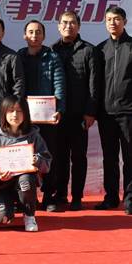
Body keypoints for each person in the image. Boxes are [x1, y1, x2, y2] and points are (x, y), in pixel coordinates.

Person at [96, 6, 132, 215]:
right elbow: (95, 84)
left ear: (125, 22)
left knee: (130, 157)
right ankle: (111, 198)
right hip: (106, 114)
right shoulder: (100, 49)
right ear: (105, 23)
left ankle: (130, 200)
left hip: (129, 112)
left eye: (117, 19)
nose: (113, 23)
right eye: (109, 19)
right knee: (109, 158)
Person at [0, 96, 52, 232]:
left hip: (23, 182)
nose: (15, 115)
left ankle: (29, 215)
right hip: (0, 185)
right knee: (2, 218)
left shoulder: (33, 135)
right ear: (3, 113)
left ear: (26, 113)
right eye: (11, 111)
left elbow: (47, 161)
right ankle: (6, 206)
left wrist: (37, 160)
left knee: (26, 181)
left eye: (19, 111)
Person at [52, 11, 100, 211]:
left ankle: (77, 197)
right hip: (57, 115)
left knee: (78, 158)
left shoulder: (88, 50)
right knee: (59, 157)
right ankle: (60, 194)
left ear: (79, 26)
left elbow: (94, 85)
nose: (68, 26)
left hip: (80, 115)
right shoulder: (52, 50)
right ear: (58, 26)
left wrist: (90, 112)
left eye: (72, 23)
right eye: (64, 23)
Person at [17, 20, 65, 212]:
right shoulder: (19, 56)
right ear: (24, 35)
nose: (34, 35)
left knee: (48, 155)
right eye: (30, 32)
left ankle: (49, 196)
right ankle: (27, 197)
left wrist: (59, 109)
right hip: (23, 118)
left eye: (38, 32)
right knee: (24, 156)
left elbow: (59, 84)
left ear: (44, 36)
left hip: (47, 117)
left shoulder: (52, 56)